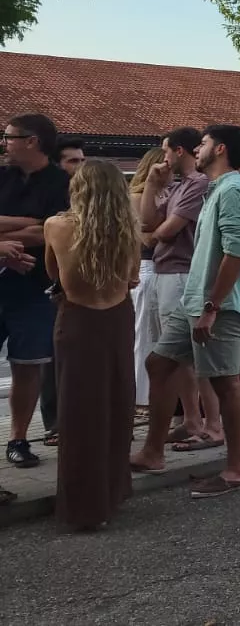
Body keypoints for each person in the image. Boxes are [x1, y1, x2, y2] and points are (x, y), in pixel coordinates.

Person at [130, 124, 240, 499]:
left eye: (202, 144)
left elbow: (236, 251)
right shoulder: (217, 188)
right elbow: (149, 225)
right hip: (196, 299)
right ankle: (153, 453)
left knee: (225, 381)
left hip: (218, 305)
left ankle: (236, 470)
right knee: (159, 362)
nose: (197, 149)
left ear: (219, 149)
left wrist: (212, 306)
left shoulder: (234, 190)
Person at [42, 159, 140, 528]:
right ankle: (112, 493)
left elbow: (54, 275)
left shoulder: (56, 226)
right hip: (116, 318)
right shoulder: (131, 230)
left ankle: (83, 506)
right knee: (116, 406)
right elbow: (131, 277)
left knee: (78, 412)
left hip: (78, 320)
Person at [136, 127, 222, 453]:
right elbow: (147, 223)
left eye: (166, 150)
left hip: (183, 273)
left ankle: (207, 421)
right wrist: (152, 187)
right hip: (164, 271)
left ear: (179, 151)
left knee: (188, 355)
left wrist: (154, 233)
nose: (163, 157)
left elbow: (167, 231)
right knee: (175, 355)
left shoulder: (198, 184)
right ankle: (190, 417)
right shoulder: (177, 185)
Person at [0, 114, 71, 472]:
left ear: (32, 141)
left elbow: (54, 231)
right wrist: (5, 248)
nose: (4, 142)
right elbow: (41, 225)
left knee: (28, 366)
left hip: (34, 288)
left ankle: (18, 439)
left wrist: (18, 232)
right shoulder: (1, 176)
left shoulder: (63, 184)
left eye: (9, 137)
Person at [127, 147, 165, 423]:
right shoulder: (138, 196)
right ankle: (141, 397)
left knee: (157, 335)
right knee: (144, 334)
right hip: (147, 266)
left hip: (163, 268)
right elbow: (145, 238)